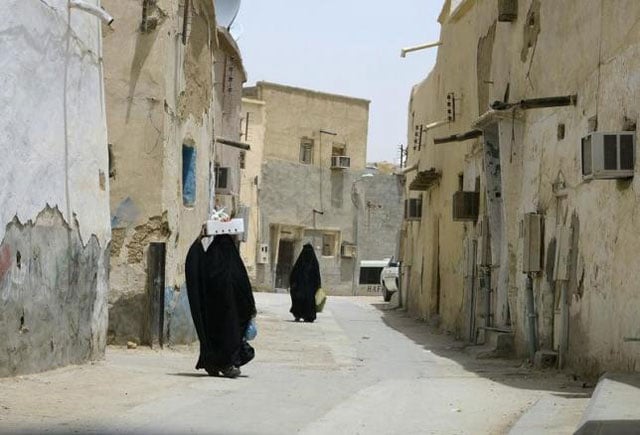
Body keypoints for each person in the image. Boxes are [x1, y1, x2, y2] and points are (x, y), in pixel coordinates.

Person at [185, 234, 257, 378]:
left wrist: (199, 239)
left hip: (213, 313)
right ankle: (226, 364)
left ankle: (212, 364)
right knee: (230, 336)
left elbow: (196, 263)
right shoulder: (234, 263)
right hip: (230, 314)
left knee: (214, 336)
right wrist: (250, 307)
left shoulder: (210, 259)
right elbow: (244, 287)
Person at [289, 243, 321, 322]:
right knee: (304, 300)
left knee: (306, 301)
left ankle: (304, 315)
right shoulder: (310, 263)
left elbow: (293, 275)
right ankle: (303, 315)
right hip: (304, 288)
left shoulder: (302, 263)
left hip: (307, 288)